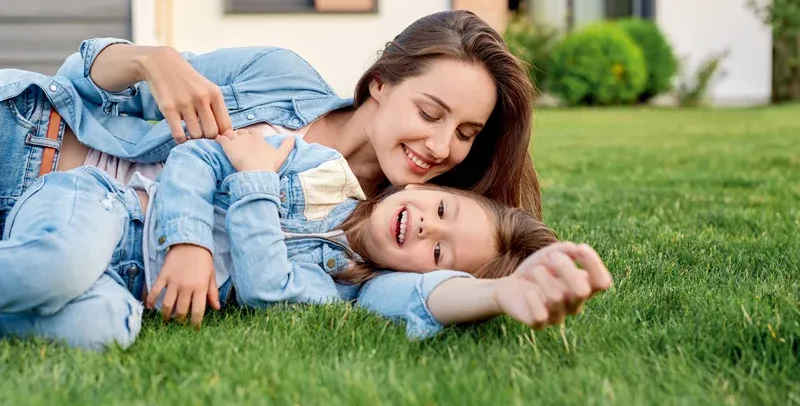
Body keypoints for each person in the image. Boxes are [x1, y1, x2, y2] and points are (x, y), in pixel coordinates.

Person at [0, 130, 612, 351]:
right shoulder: (320, 168)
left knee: (105, 330)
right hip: (106, 209)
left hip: (127, 288)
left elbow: (268, 289)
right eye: (442, 207)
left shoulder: (337, 292)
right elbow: (197, 157)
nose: (429, 226)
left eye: (439, 250)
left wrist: (504, 293)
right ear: (427, 187)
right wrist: (190, 243)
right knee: (61, 265)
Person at [0, 11, 541, 239]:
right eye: (430, 113)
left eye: (467, 134)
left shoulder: (382, 230)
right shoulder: (277, 77)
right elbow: (79, 76)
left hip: (40, 235)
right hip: (27, 136)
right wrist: (149, 59)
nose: (442, 146)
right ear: (380, 82)